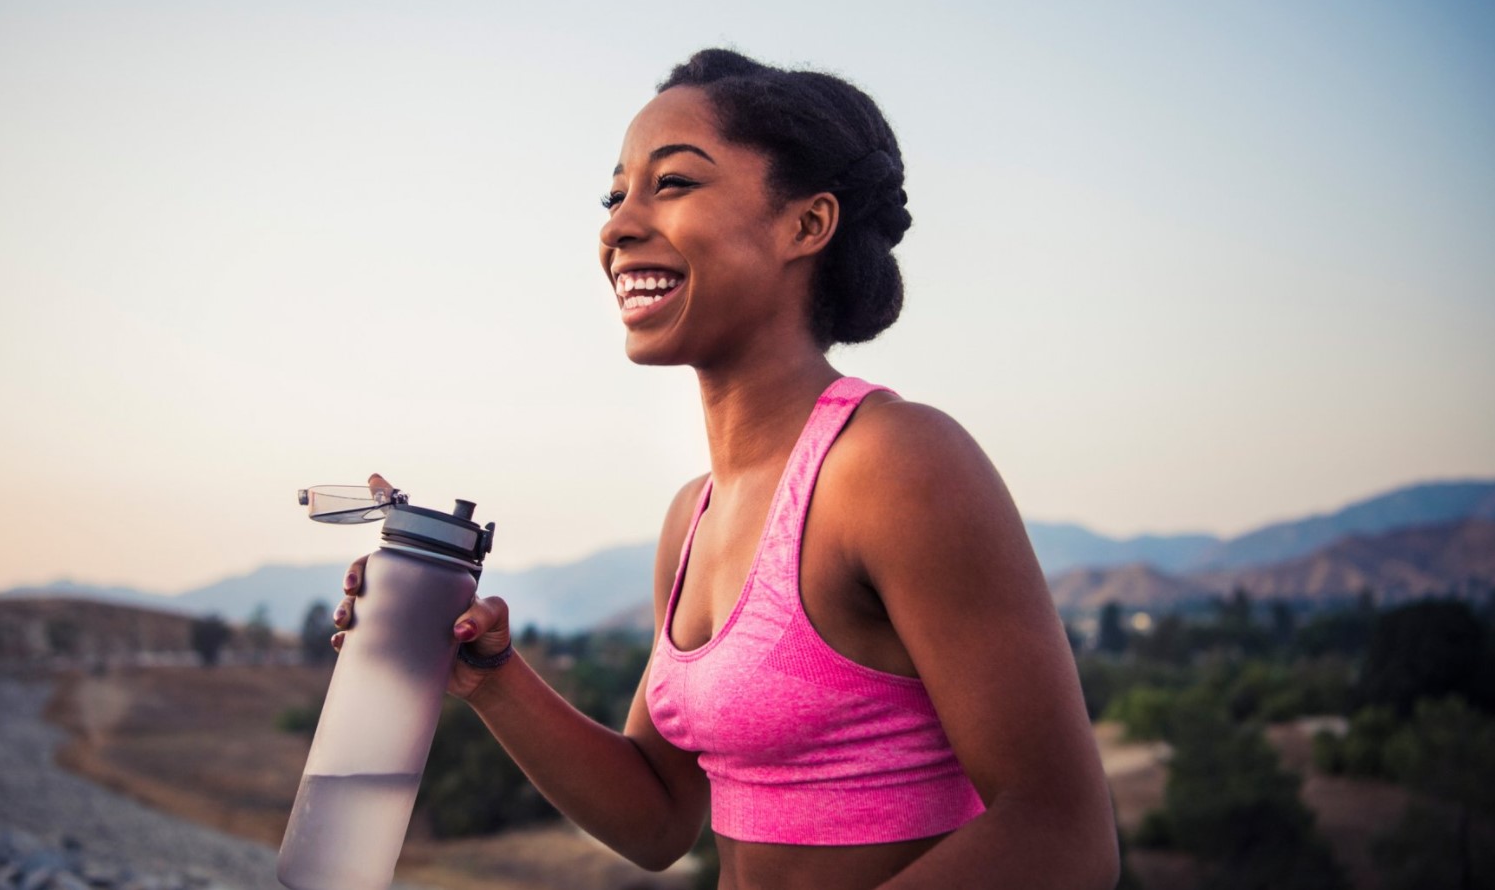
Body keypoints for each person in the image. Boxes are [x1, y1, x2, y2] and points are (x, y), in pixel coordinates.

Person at [333, 48, 1119, 890]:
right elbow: (657, 819)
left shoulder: (892, 465)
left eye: (670, 184)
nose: (617, 225)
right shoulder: (693, 515)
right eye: (614, 194)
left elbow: (1060, 835)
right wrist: (487, 677)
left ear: (804, 226)